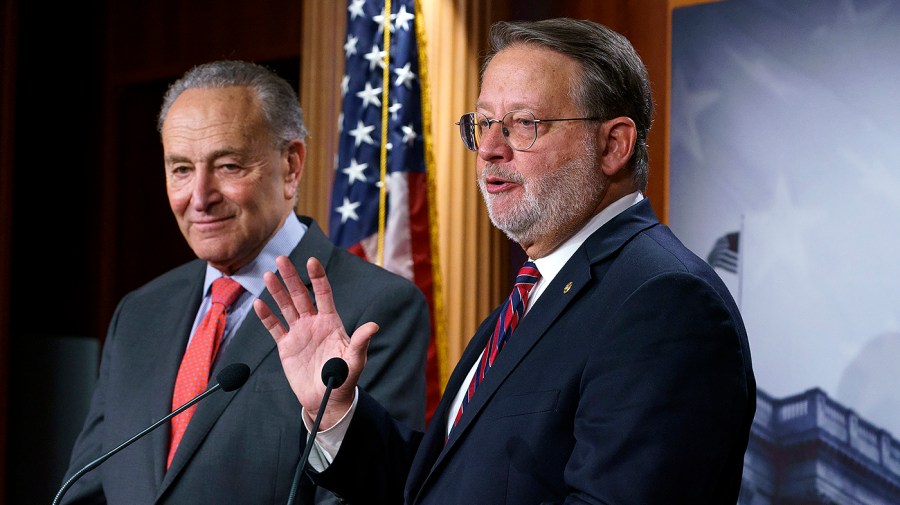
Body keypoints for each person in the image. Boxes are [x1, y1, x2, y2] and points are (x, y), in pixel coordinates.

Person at [255, 17, 756, 505]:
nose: (490, 149)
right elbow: (444, 486)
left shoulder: (663, 301)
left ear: (613, 144)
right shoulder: (537, 289)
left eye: (523, 124)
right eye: (483, 123)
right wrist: (338, 411)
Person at [59, 60, 430, 505]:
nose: (199, 197)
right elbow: (86, 487)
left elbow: (370, 494)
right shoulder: (140, 312)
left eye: (229, 166)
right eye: (180, 169)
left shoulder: (375, 306)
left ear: (291, 166)